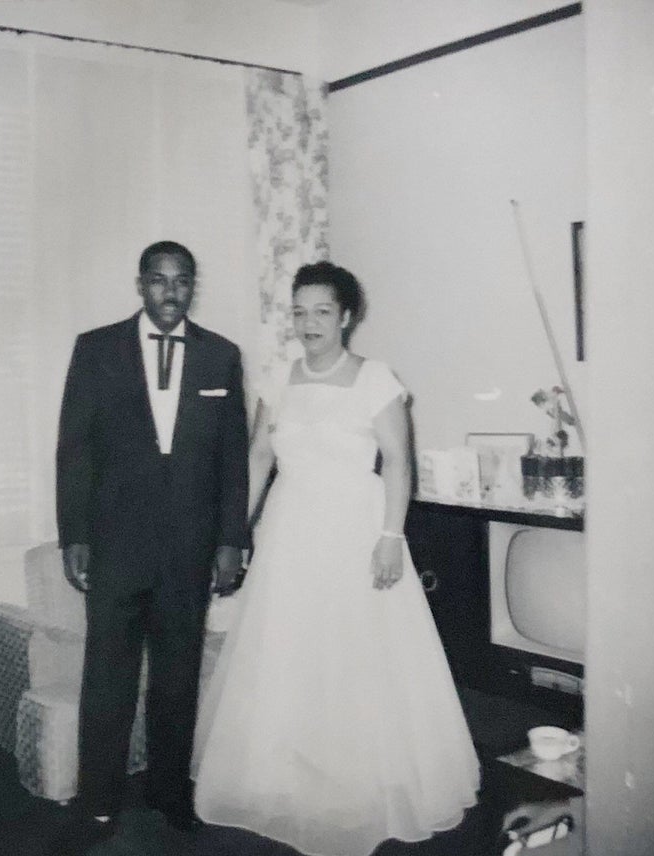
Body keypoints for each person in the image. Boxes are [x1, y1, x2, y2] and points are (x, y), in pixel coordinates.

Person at [191, 261, 481, 856]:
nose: (309, 322)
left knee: (356, 656)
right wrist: (232, 536)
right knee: (288, 655)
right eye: (299, 311)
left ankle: (357, 784)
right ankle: (290, 777)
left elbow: (398, 462)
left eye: (322, 310)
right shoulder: (280, 379)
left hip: (356, 531)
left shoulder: (376, 379)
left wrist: (390, 537)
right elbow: (257, 463)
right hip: (290, 533)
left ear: (347, 316)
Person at [53, 241, 249, 854]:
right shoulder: (96, 348)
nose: (171, 292)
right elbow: (74, 450)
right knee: (107, 677)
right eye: (160, 280)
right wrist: (75, 535)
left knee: (177, 677)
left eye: (182, 281)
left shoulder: (221, 356)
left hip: (189, 552)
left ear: (194, 287)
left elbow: (233, 461)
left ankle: (169, 792)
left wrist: (229, 543)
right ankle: (99, 799)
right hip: (115, 547)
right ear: (140, 285)